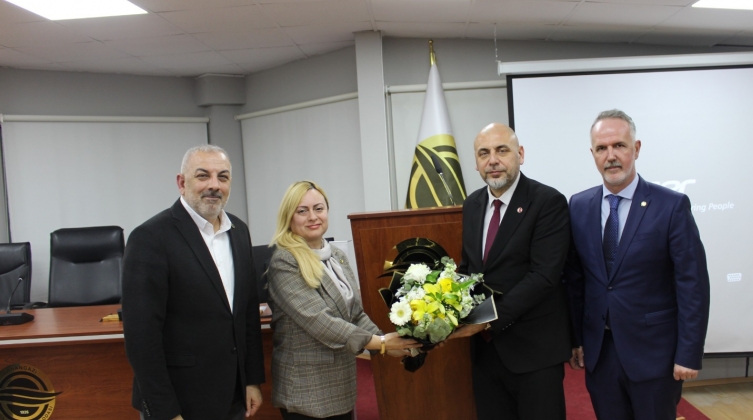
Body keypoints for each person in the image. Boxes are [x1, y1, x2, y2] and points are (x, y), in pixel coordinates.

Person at [565, 109, 711, 420]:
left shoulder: (671, 206)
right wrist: (576, 339)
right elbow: (576, 280)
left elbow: (692, 284)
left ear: (637, 148)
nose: (611, 156)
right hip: (600, 354)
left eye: (619, 145)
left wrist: (689, 353)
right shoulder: (578, 206)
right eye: (602, 149)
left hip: (655, 356)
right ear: (593, 154)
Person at [122, 145, 265, 420]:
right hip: (179, 401)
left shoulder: (239, 231)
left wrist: (251, 379)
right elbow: (142, 338)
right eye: (203, 176)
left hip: (232, 395)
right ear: (181, 182)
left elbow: (246, 314)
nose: (214, 185)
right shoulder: (150, 238)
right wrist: (165, 411)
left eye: (222, 177)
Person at [448, 123, 575, 420]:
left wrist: (486, 321)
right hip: (485, 354)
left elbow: (544, 276)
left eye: (501, 150)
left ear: (520, 154)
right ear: (476, 162)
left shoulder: (547, 202)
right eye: (484, 153)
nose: (493, 160)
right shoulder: (473, 204)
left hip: (535, 352)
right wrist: (442, 306)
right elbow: (470, 268)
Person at [266, 180, 421, 420]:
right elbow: (320, 321)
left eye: (319, 208)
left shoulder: (336, 255)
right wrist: (379, 343)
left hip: (341, 385)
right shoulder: (284, 261)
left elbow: (355, 314)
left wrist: (390, 345)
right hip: (307, 392)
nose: (312, 217)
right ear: (289, 217)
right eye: (302, 211)